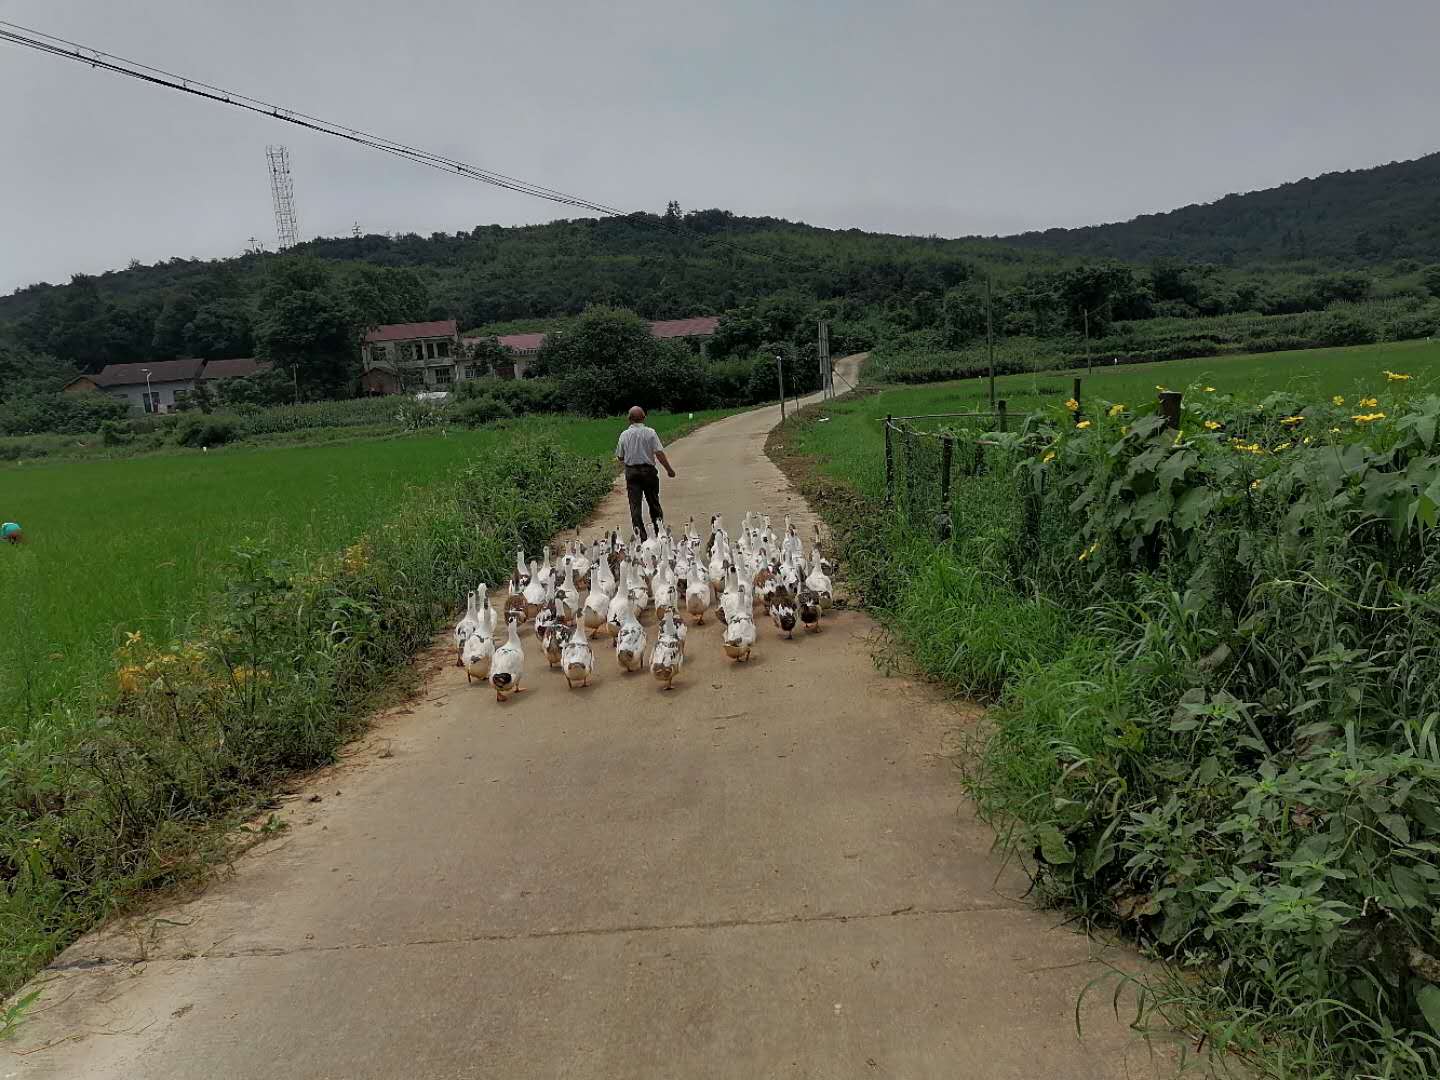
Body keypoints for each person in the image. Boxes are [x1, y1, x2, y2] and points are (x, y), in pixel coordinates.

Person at [615, 406, 675, 540]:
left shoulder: (624, 435)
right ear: (644, 417)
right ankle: (659, 532)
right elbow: (659, 453)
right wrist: (669, 469)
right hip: (648, 472)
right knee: (653, 502)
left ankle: (641, 536)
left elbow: (620, 456)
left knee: (635, 505)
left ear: (629, 419)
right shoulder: (651, 433)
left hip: (632, 473)